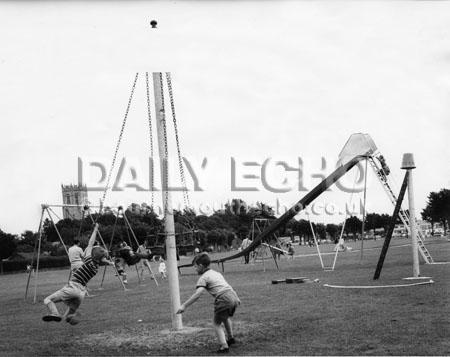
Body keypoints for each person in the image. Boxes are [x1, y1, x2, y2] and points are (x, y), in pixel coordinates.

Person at [42, 224, 115, 325]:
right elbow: (102, 260)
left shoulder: (89, 260)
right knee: (67, 316)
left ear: (93, 254)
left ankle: (55, 313)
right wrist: (110, 263)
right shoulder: (96, 268)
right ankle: (71, 318)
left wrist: (96, 229)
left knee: (47, 300)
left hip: (73, 287)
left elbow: (90, 243)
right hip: (81, 294)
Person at [177, 252, 240, 353]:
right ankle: (231, 338)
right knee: (225, 317)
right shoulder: (216, 273)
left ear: (201, 266)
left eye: (195, 267)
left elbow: (198, 293)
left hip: (223, 299)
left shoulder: (203, 278)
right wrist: (236, 297)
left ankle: (224, 346)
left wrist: (184, 305)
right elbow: (227, 286)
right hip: (233, 297)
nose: (195, 269)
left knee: (216, 323)